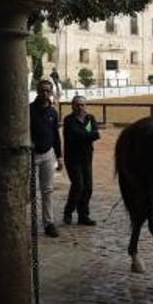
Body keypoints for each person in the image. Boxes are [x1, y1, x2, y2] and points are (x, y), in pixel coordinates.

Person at [29, 79, 63, 237]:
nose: (45, 94)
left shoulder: (53, 112)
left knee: (48, 190)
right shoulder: (29, 110)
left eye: (47, 91)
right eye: (42, 90)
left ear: (51, 92)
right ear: (37, 91)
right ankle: (30, 221)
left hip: (48, 153)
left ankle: (48, 223)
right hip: (32, 154)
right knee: (30, 190)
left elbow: (56, 135)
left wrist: (59, 156)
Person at [62, 95, 100, 226]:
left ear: (86, 105)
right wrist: (87, 136)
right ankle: (68, 211)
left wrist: (84, 135)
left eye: (82, 104)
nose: (80, 107)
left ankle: (83, 215)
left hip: (86, 157)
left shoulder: (90, 118)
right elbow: (73, 136)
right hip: (72, 158)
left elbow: (96, 134)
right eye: (77, 104)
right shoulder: (69, 120)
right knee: (78, 185)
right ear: (72, 106)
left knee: (88, 187)